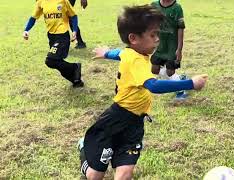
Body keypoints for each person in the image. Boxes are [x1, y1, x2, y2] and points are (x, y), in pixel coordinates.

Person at [78, 4, 208, 180]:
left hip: (134, 124)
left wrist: (107, 53)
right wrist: (190, 83)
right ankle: (84, 148)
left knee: (125, 174)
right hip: (115, 119)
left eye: (158, 34)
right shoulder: (136, 60)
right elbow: (153, 86)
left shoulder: (131, 52)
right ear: (134, 38)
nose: (157, 39)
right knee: (95, 176)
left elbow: (120, 53)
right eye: (153, 34)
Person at [23, 0, 84, 87]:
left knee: (50, 60)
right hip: (51, 36)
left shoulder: (64, 1)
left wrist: (74, 31)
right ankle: (76, 80)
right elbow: (33, 17)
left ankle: (75, 67)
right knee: (57, 61)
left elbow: (73, 16)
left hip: (62, 35)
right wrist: (26, 30)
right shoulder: (41, 2)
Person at [151, 0, 187, 99]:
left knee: (170, 72)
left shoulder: (177, 8)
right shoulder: (154, 5)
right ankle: (179, 79)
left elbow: (181, 28)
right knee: (154, 70)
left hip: (172, 46)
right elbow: (148, 23)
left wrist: (179, 49)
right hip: (160, 45)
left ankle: (181, 89)